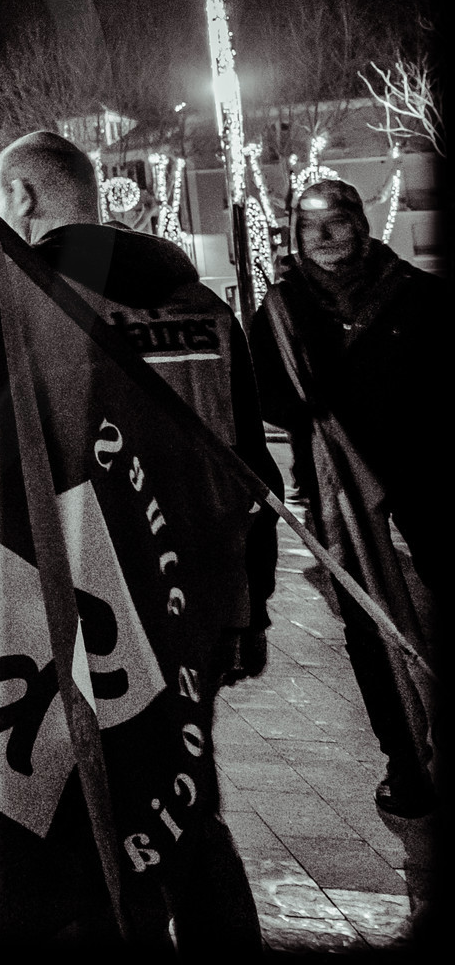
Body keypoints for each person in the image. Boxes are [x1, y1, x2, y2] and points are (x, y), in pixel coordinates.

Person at [0, 129, 279, 948]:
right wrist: (252, 612)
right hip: (204, 605)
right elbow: (255, 476)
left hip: (84, 620)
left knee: (97, 825)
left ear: (23, 199)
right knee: (187, 796)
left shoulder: (16, 307)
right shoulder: (204, 305)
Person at [250, 176, 443, 820]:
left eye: (336, 223)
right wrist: (317, 417)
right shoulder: (281, 311)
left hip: (428, 472)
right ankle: (405, 762)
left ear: (360, 225)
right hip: (337, 484)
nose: (325, 238)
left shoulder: (417, 296)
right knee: (368, 623)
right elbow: (264, 393)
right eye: (311, 228)